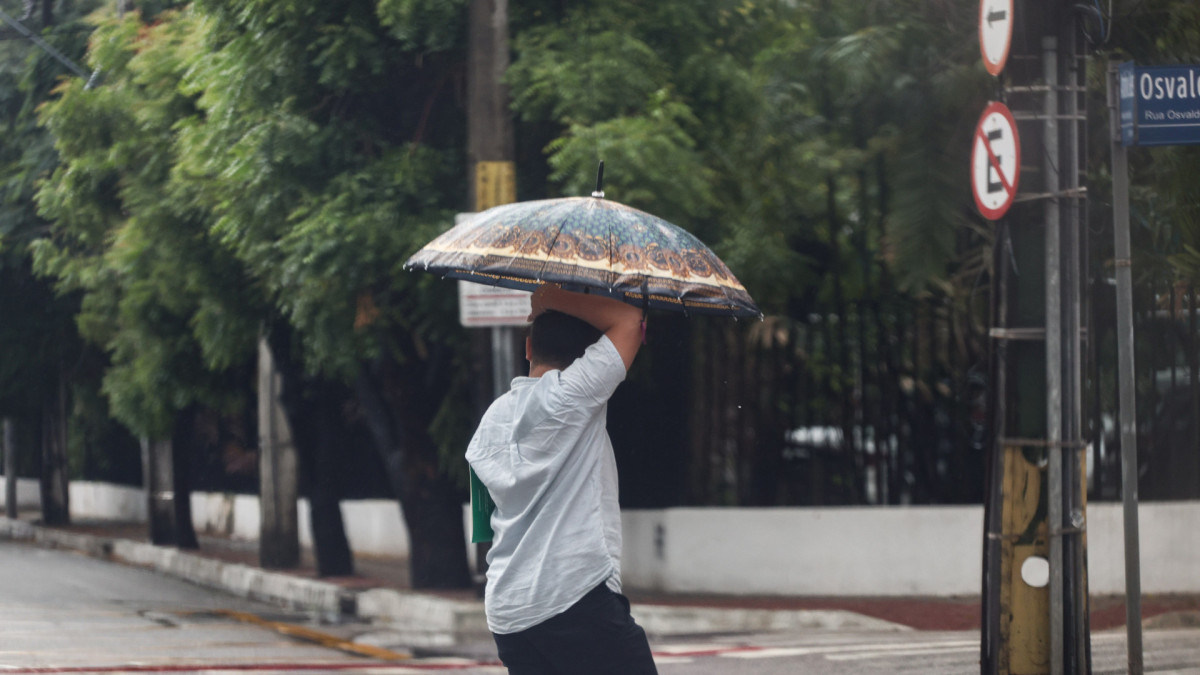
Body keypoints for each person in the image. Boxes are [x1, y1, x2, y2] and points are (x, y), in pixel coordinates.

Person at [465, 282, 657, 675]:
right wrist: (548, 298)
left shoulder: (491, 421)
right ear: (588, 357)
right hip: (572, 594)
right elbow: (629, 320)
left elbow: (485, 522)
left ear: (528, 349)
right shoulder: (573, 395)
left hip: (508, 609)